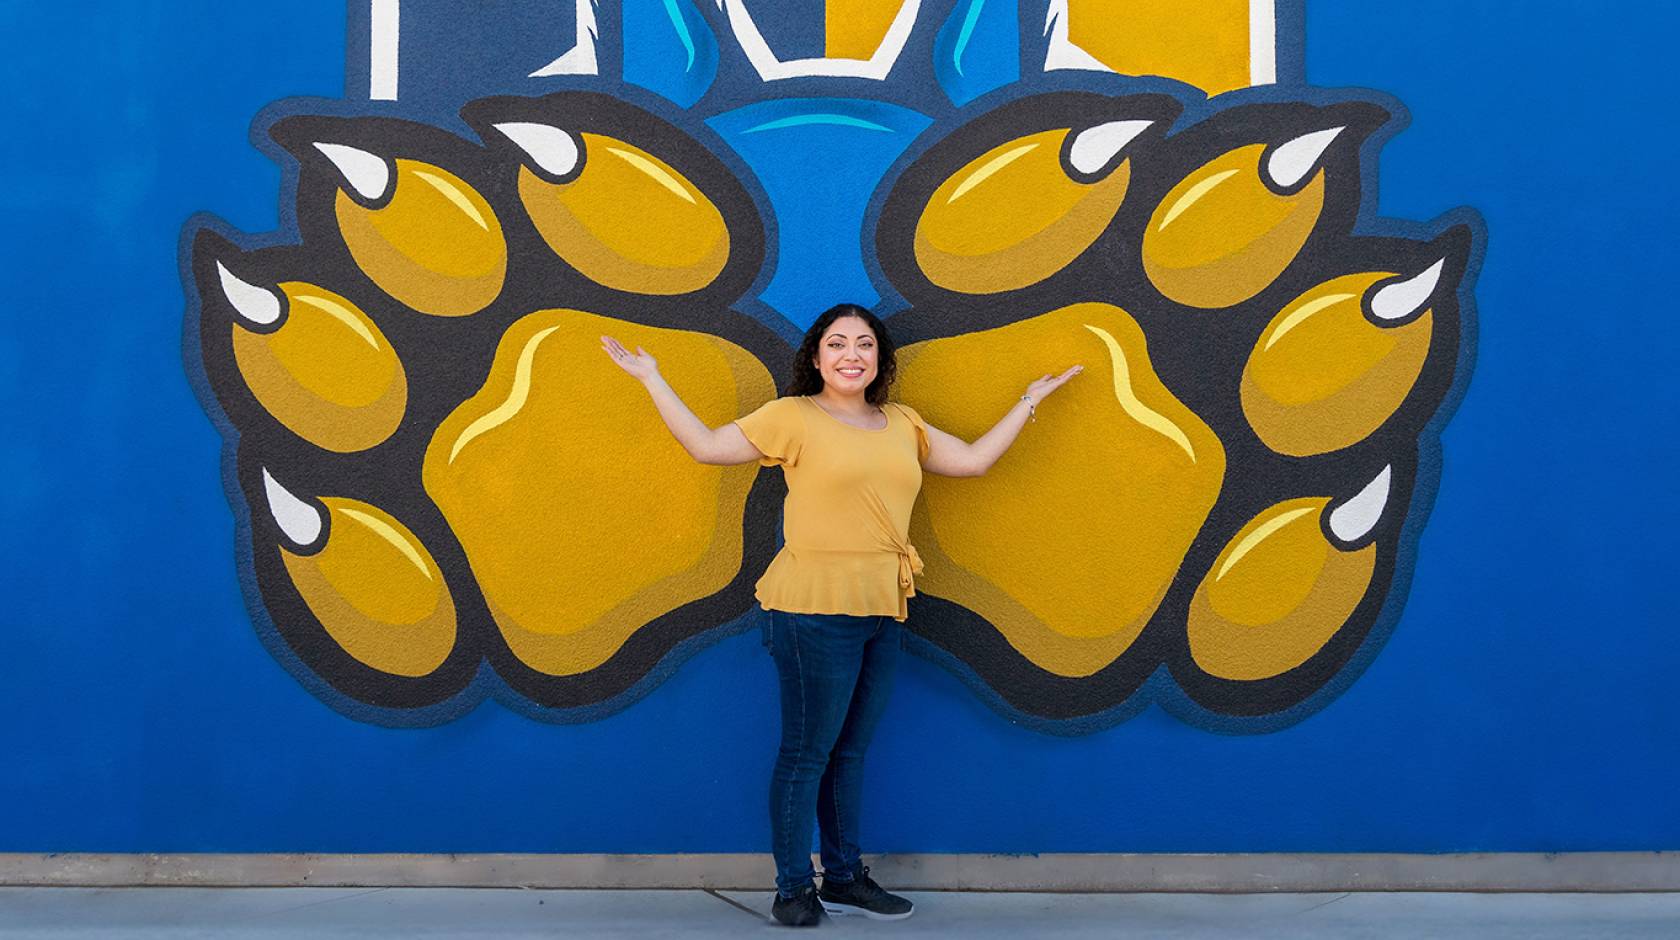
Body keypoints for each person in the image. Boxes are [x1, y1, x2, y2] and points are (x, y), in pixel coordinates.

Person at [602, 303, 1080, 927]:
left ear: (879, 358)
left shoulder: (903, 422)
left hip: (884, 604)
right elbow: (707, 447)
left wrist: (1028, 400)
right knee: (807, 753)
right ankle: (793, 888)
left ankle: (845, 878)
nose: (850, 354)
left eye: (863, 344)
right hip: (810, 611)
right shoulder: (792, 416)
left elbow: (973, 461)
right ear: (817, 356)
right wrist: (652, 378)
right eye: (836, 343)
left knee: (849, 752)